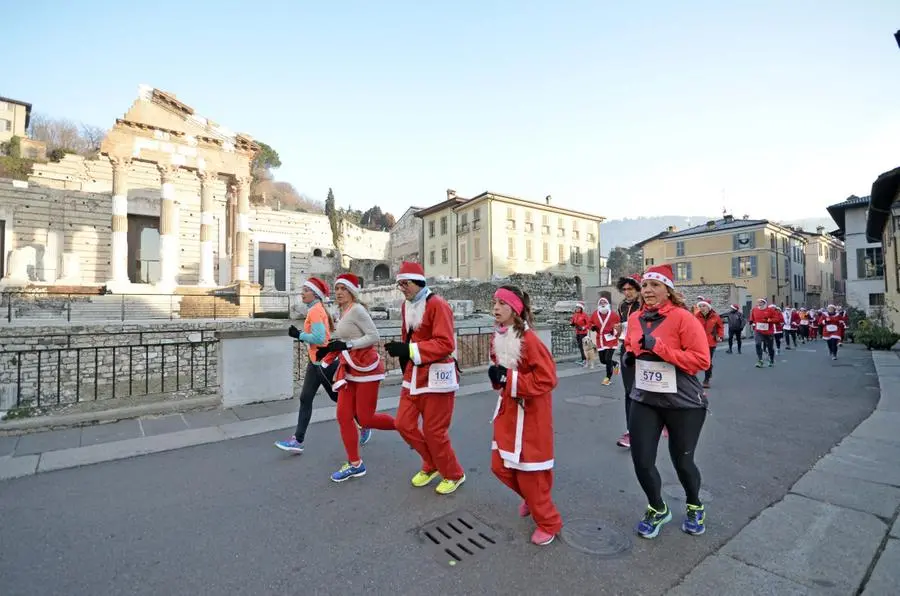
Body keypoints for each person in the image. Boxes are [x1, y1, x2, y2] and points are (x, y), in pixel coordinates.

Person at [622, 264, 711, 539]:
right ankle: (658, 508)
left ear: (668, 291)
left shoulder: (684, 318)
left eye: (655, 285)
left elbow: (701, 360)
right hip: (646, 397)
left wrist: (659, 348)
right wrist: (628, 355)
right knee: (641, 459)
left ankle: (695, 504)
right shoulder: (635, 318)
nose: (647, 290)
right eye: (645, 285)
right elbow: (631, 344)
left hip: (682, 401)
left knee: (682, 461)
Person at [489, 285, 563, 546]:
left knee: (531, 474)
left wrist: (509, 379)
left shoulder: (530, 341)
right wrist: (498, 379)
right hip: (508, 411)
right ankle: (534, 501)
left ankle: (549, 522)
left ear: (515, 310)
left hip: (530, 415)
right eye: (494, 303)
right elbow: (503, 373)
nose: (496, 308)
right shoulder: (498, 336)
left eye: (502, 304)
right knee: (499, 466)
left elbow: (547, 378)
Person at [386, 261, 466, 495]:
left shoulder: (438, 305)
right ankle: (432, 464)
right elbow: (407, 337)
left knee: (434, 432)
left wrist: (408, 350)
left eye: (405, 283)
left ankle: (454, 473)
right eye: (400, 284)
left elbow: (445, 343)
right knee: (403, 424)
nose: (402, 288)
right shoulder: (405, 306)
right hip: (414, 375)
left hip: (437, 377)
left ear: (419, 282)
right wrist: (403, 352)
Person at [314, 273, 396, 482]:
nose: (339, 292)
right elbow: (343, 339)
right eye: (337, 288)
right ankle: (355, 464)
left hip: (366, 369)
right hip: (348, 369)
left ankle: (404, 426)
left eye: (343, 288)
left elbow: (374, 336)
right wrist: (329, 351)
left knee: (366, 418)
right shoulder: (343, 311)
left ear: (352, 291)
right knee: (343, 416)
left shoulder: (358, 310)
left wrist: (348, 345)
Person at [276, 277, 373, 453]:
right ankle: (298, 440)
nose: (302, 293)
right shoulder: (315, 309)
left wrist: (299, 335)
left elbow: (321, 339)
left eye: (306, 290)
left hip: (323, 364)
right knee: (305, 399)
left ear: (315, 294)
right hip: (315, 363)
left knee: (337, 399)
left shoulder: (315, 311)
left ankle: (364, 424)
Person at [615, 274, 642, 449]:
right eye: (624, 289)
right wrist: (618, 330)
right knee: (629, 391)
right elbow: (623, 329)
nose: (627, 292)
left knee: (647, 391)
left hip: (645, 351)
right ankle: (631, 431)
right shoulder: (622, 306)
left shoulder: (645, 305)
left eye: (630, 289)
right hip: (627, 350)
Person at [590, 297, 620, 385]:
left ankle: (607, 378)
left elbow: (619, 326)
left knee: (607, 359)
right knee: (603, 360)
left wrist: (614, 331)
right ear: (599, 305)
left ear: (607, 304)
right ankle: (615, 364)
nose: (602, 304)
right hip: (600, 340)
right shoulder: (595, 314)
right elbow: (590, 322)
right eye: (601, 303)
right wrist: (592, 327)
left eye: (604, 302)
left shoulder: (614, 315)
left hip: (611, 339)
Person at [694, 300, 724, 389]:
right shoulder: (696, 316)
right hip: (699, 342)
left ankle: (706, 380)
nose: (702, 308)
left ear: (708, 307)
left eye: (704, 306)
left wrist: (720, 336)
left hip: (711, 342)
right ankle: (707, 371)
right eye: (701, 306)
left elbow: (720, 327)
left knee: (707, 361)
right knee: (698, 360)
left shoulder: (715, 316)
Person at [750, 298, 778, 368]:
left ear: (764, 303)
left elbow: (777, 319)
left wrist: (770, 320)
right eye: (758, 302)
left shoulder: (770, 310)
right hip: (758, 330)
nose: (759, 303)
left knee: (770, 347)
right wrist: (752, 322)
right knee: (758, 344)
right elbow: (751, 318)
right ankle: (760, 360)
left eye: (761, 302)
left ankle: (771, 359)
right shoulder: (755, 309)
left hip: (768, 331)